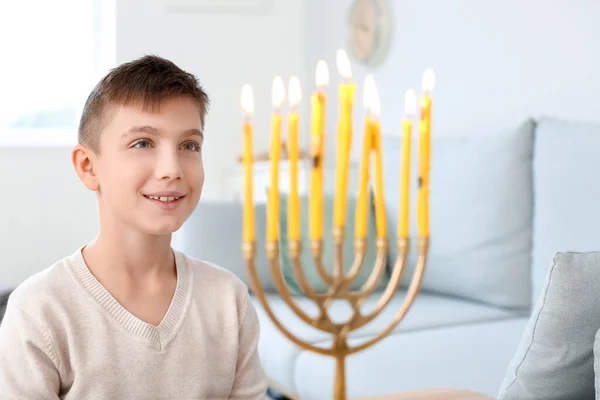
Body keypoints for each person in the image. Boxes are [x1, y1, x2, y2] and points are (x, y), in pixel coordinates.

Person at [0, 55, 268, 399]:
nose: (171, 169)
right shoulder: (40, 310)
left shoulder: (228, 300)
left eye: (189, 145)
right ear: (88, 166)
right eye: (142, 143)